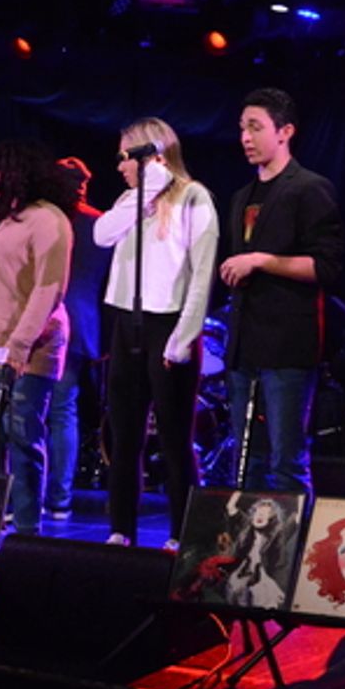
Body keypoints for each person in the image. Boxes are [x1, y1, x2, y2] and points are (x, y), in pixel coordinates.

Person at [95, 119, 219, 549]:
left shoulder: (194, 197)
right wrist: (144, 192)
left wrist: (184, 338)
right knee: (124, 434)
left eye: (126, 156)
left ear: (154, 155)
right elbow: (101, 234)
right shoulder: (132, 201)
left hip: (170, 325)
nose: (120, 166)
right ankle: (120, 529)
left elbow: (202, 276)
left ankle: (181, 533)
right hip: (127, 323)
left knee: (173, 437)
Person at [220, 88, 345, 497]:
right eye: (242, 128)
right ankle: (253, 553)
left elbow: (325, 267)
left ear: (285, 131)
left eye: (255, 127)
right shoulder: (241, 197)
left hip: (288, 347)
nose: (245, 137)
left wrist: (261, 259)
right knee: (247, 458)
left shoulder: (309, 188)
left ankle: (297, 552)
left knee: (287, 460)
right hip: (245, 347)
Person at [0, 138, 76, 536]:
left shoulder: (47, 220)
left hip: (29, 349)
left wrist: (20, 346)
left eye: (0, 169)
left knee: (22, 440)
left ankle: (27, 531)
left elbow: (49, 288)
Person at [45, 156, 113, 521]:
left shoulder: (44, 219)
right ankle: (60, 499)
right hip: (83, 324)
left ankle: (30, 495)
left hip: (45, 321)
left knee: (31, 412)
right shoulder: (99, 223)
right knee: (63, 411)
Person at [221, 491, 298, 609]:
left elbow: (298, 516)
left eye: (266, 514)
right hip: (240, 576)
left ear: (272, 519)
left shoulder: (279, 533)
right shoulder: (246, 526)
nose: (260, 515)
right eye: (258, 512)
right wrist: (239, 490)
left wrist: (302, 495)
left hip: (263, 580)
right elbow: (230, 507)